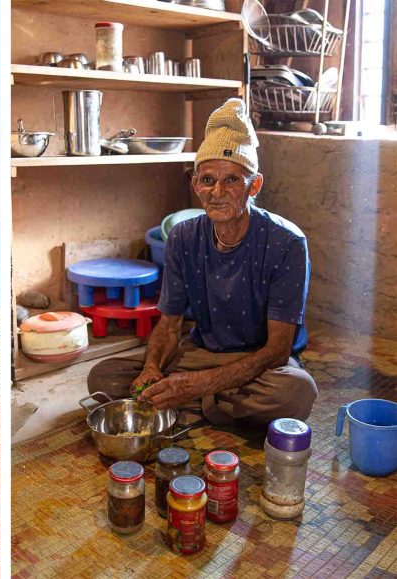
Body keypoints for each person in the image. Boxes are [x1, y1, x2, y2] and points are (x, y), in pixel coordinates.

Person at [87, 98, 317, 426]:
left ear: (255, 185)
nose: (217, 191)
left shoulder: (287, 242)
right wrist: (152, 368)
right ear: (196, 185)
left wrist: (199, 384)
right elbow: (169, 326)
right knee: (104, 376)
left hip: (260, 362)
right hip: (200, 354)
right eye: (207, 180)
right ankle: (207, 406)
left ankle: (189, 403)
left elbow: (277, 351)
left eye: (232, 180)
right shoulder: (182, 237)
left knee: (295, 393)